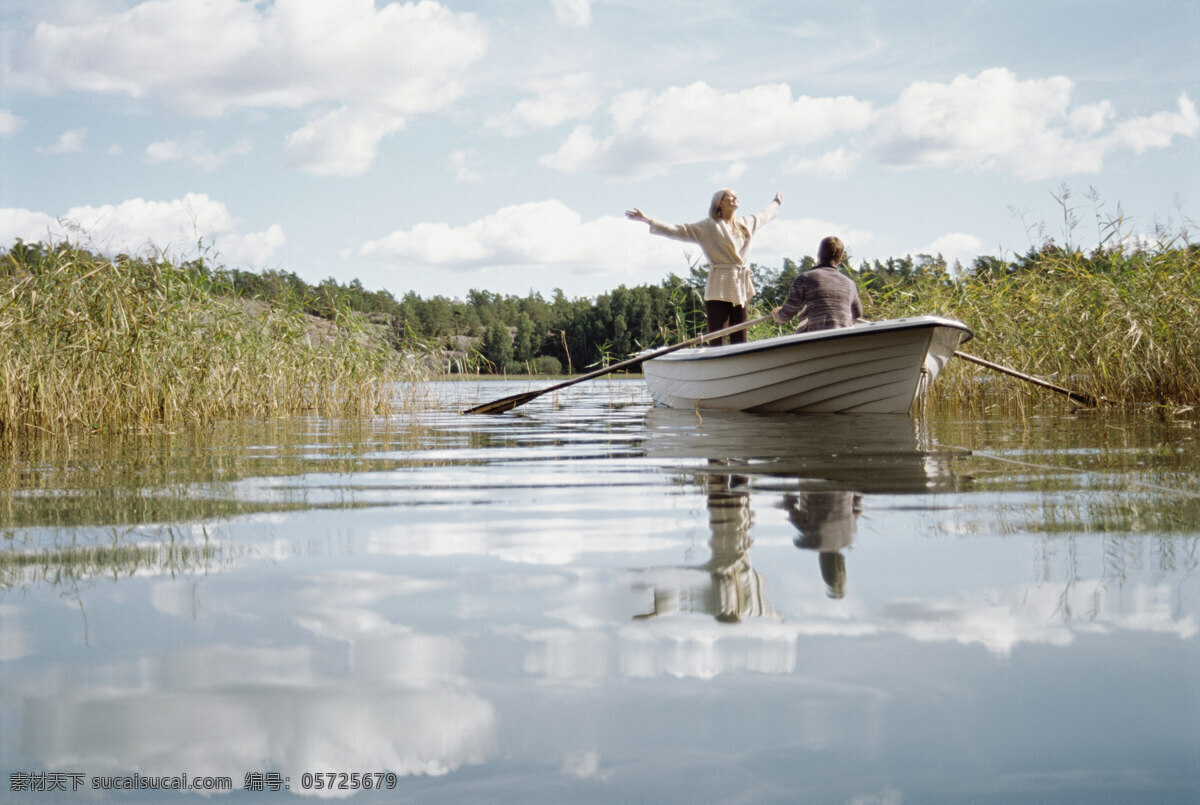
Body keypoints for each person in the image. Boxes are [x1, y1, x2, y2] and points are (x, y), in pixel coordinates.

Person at [626, 189, 783, 345]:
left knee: (740, 336)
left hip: (740, 285)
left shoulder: (745, 223)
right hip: (719, 285)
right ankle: (717, 366)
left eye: (736, 195)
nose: (735, 197)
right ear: (719, 203)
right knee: (717, 337)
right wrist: (647, 220)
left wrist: (776, 202)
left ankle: (740, 366)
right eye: (730, 195)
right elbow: (678, 230)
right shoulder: (709, 226)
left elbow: (764, 215)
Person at [772, 236, 862, 333]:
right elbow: (857, 314)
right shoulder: (849, 284)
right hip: (843, 339)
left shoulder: (804, 279)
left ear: (818, 254)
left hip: (812, 339)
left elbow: (785, 316)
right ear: (838, 260)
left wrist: (776, 314)